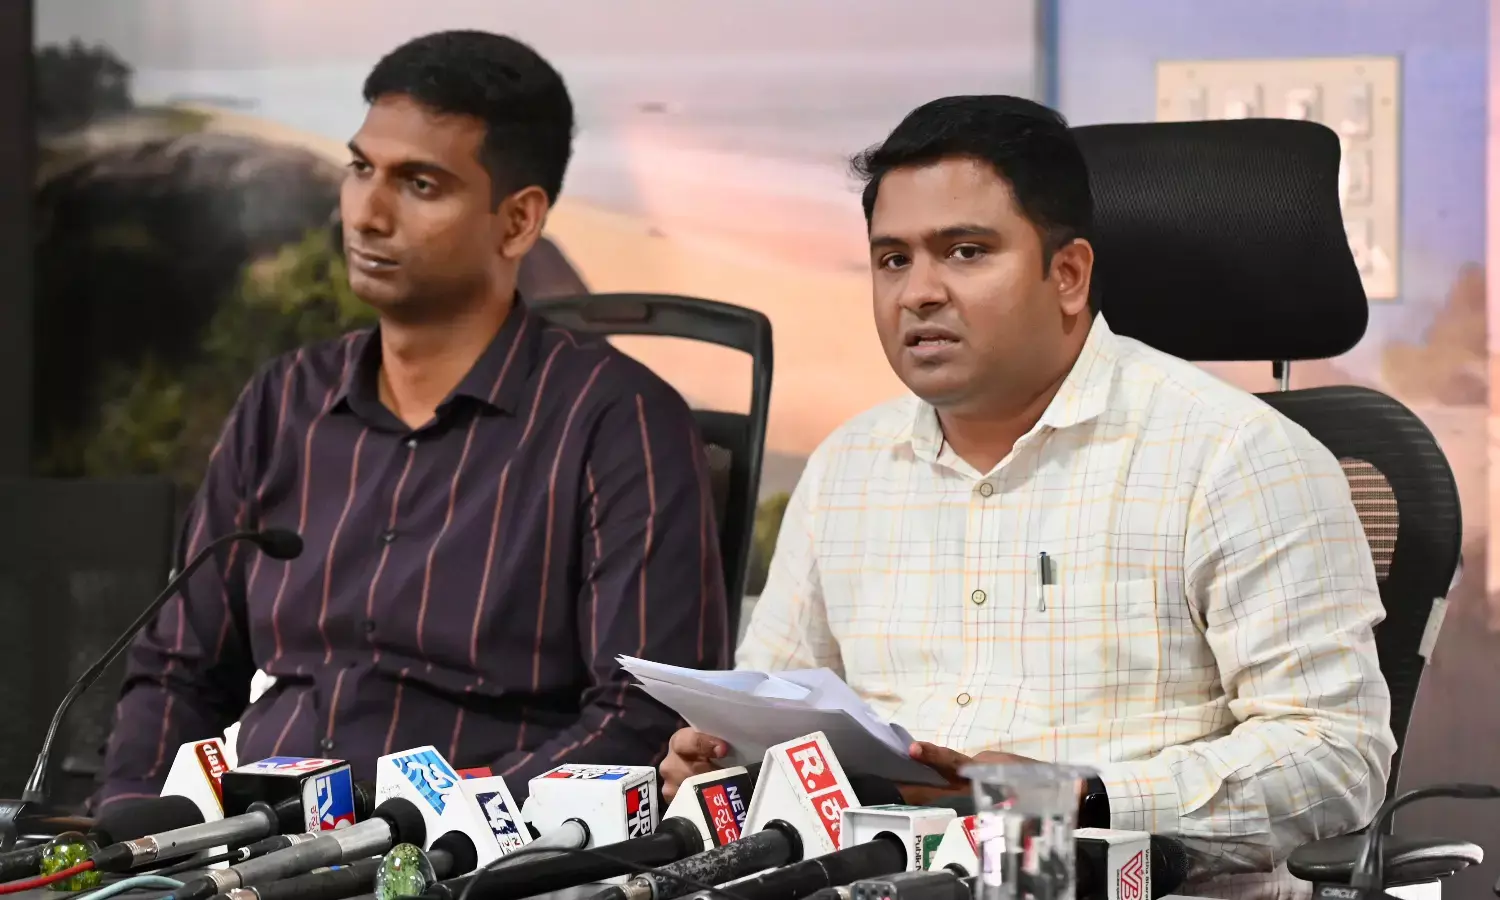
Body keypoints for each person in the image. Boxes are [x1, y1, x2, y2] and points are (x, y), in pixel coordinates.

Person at [660, 96, 1394, 891]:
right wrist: (725, 759)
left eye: (965, 252)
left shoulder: (1235, 457)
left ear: (1068, 275)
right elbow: (776, 701)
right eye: (893, 259)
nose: (918, 292)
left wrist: (1079, 797)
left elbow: (1337, 759)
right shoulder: (848, 466)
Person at [98, 30, 728, 806]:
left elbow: (641, 719)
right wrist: (128, 830)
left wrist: (421, 829)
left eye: (420, 185)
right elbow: (178, 671)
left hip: (483, 852)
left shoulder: (618, 420)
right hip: (257, 843)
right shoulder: (284, 400)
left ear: (518, 221)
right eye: (361, 169)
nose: (368, 215)